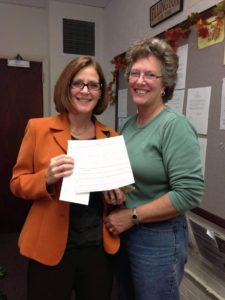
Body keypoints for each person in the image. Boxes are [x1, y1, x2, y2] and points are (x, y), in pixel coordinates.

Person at [10, 55, 124, 300]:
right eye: (78, 83)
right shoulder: (38, 128)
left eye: (93, 85)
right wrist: (46, 177)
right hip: (49, 247)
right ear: (66, 86)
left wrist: (117, 197)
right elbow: (17, 183)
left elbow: (118, 196)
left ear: (101, 92)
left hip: (97, 249)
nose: (85, 91)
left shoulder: (111, 137)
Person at [103, 37, 205, 300]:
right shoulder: (128, 125)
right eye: (135, 73)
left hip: (157, 238)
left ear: (165, 83)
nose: (140, 80)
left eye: (150, 74)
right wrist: (115, 192)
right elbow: (130, 177)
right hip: (125, 231)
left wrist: (132, 215)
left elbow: (189, 193)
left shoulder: (174, 126)